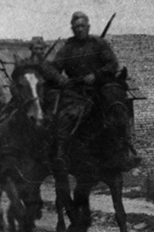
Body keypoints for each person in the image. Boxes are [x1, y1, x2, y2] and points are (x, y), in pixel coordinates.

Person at [43, 11, 121, 174]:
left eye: (82, 26)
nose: (79, 29)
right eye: (76, 26)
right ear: (72, 28)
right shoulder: (67, 48)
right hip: (77, 94)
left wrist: (96, 75)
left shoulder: (99, 44)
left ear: (88, 27)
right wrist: (60, 79)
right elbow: (52, 69)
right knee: (65, 117)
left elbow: (113, 65)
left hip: (100, 88)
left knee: (117, 110)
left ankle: (124, 153)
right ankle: (61, 155)